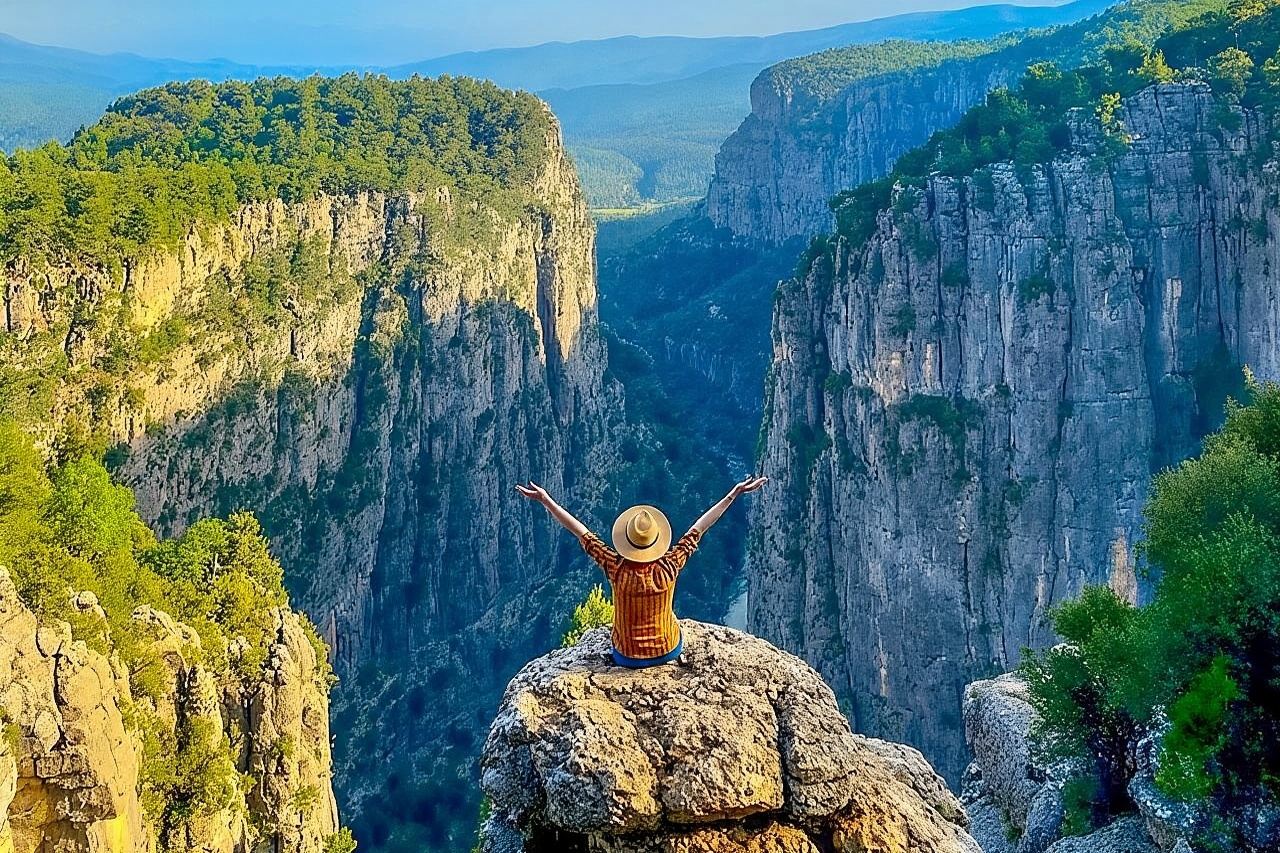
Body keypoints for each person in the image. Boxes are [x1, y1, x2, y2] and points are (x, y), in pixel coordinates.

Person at [515, 475, 768, 668]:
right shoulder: (670, 565)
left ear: (627, 542)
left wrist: (546, 500)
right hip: (667, 649)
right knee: (672, 620)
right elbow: (698, 528)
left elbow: (581, 532)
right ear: (656, 542)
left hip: (625, 656)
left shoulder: (615, 567)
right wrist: (733, 495)